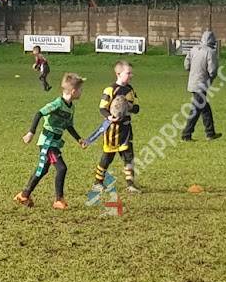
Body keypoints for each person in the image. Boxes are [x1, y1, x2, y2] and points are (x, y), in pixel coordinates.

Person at [15, 72, 86, 210]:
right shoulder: (57, 104)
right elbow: (39, 113)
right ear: (73, 91)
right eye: (81, 90)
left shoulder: (71, 107)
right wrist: (31, 132)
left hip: (54, 143)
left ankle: (24, 195)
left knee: (42, 170)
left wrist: (79, 139)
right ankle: (58, 200)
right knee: (62, 168)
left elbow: (69, 126)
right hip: (47, 142)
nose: (82, 92)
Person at [89, 61, 141, 196]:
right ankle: (98, 182)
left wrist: (129, 107)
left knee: (129, 157)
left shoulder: (130, 90)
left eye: (131, 73)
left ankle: (130, 184)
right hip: (112, 130)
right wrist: (109, 117)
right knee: (108, 157)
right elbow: (102, 108)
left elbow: (137, 108)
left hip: (126, 129)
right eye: (128, 73)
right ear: (118, 74)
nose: (131, 75)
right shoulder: (110, 90)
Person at [181, 30, 221, 141]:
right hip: (202, 83)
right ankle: (186, 134)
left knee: (205, 109)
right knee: (196, 110)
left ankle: (210, 133)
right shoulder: (210, 52)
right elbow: (212, 70)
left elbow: (186, 65)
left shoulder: (193, 49)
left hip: (192, 83)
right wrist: (211, 78)